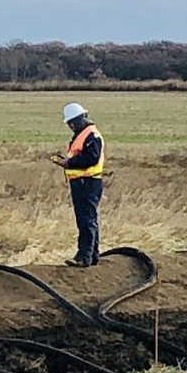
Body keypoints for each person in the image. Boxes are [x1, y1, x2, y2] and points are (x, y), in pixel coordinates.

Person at [50, 102, 105, 267]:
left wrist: (70, 163)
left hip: (87, 182)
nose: (70, 126)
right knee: (88, 218)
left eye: (71, 122)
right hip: (82, 182)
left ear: (80, 119)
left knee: (86, 219)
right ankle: (92, 255)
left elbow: (91, 158)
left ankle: (84, 257)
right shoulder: (83, 135)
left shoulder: (91, 135)